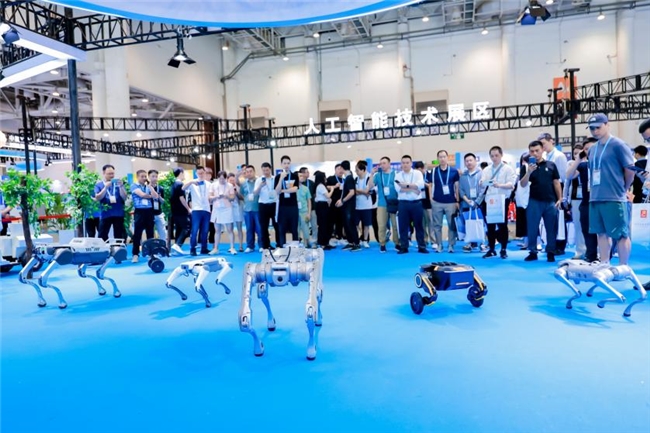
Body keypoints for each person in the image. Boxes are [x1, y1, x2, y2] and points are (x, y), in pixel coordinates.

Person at [586, 113, 636, 265]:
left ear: (608, 125)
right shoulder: (592, 149)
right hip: (595, 197)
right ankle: (604, 264)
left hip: (614, 197)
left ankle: (623, 267)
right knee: (601, 233)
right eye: (592, 128)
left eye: (598, 127)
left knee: (621, 234)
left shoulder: (619, 145)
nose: (595, 131)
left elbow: (630, 170)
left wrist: (624, 188)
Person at [520, 140, 563, 262]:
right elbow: (522, 184)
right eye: (532, 151)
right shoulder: (526, 167)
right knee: (532, 228)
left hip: (550, 201)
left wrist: (560, 198)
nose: (534, 153)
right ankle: (532, 251)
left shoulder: (551, 165)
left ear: (542, 150)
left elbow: (556, 182)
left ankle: (551, 251)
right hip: (533, 201)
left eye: (537, 151)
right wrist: (529, 172)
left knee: (551, 228)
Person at [478, 146, 516, 259]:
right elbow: (483, 182)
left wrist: (499, 185)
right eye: (492, 156)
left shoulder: (508, 169)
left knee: (502, 225)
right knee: (490, 225)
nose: (494, 158)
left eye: (496, 155)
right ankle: (491, 249)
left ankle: (503, 249)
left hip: (502, 199)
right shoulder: (486, 170)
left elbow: (511, 185)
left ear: (501, 155)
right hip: (489, 200)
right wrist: (482, 182)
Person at [566, 138, 599, 262]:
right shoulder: (583, 166)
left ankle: (603, 256)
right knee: (585, 229)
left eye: (592, 148)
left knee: (601, 232)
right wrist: (578, 159)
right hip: (585, 202)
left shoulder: (604, 164)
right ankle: (590, 256)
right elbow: (568, 175)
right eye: (586, 149)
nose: (589, 151)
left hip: (601, 201)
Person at [539, 132, 569, 255]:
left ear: (551, 141)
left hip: (557, 188)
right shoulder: (544, 156)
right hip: (547, 191)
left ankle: (560, 245)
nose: (542, 146)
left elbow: (563, 176)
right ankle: (551, 244)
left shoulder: (559, 156)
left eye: (544, 143)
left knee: (559, 218)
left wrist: (561, 196)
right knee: (550, 220)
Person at [395, 155, 428, 255]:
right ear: (401, 164)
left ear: (411, 163)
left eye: (407, 162)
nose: (405, 165)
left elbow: (420, 186)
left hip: (416, 203)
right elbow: (398, 189)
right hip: (403, 204)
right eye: (403, 163)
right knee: (403, 226)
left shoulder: (417, 173)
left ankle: (421, 246)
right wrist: (413, 188)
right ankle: (404, 246)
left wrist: (406, 185)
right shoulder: (398, 175)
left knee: (419, 225)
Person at [429, 150, 460, 253]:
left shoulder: (454, 171)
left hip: (451, 202)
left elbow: (457, 187)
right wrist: (431, 199)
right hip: (437, 202)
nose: (442, 159)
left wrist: (457, 201)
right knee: (437, 225)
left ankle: (451, 245)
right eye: (440, 157)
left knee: (452, 225)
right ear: (437, 158)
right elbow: (430, 185)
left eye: (444, 157)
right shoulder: (433, 171)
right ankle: (439, 245)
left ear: (447, 158)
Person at [459, 153, 486, 253]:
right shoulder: (463, 176)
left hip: (480, 203)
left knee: (481, 223)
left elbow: (483, 189)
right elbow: (461, 190)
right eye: (467, 161)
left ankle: (482, 243)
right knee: (468, 223)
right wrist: (467, 200)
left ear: (475, 161)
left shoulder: (482, 174)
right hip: (467, 203)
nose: (469, 162)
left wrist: (477, 202)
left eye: (471, 160)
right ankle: (469, 243)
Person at [93, 164, 127, 241]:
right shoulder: (99, 185)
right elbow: (98, 197)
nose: (111, 176)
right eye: (109, 174)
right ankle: (104, 248)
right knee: (102, 236)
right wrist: (105, 187)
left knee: (119, 236)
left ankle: (119, 248)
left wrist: (121, 186)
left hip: (118, 213)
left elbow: (124, 197)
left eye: (112, 173)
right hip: (105, 214)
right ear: (104, 173)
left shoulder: (118, 184)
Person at [183, 166, 211, 256]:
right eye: (199, 173)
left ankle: (204, 248)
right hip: (196, 209)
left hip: (206, 209)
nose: (201, 175)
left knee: (205, 230)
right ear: (196, 173)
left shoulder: (209, 184)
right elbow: (183, 188)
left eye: (202, 173)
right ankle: (192, 249)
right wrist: (191, 182)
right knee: (194, 230)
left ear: (205, 173)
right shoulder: (192, 183)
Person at [373, 157, 400, 253]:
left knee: (395, 225)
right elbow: (370, 186)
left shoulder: (396, 174)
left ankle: (397, 243)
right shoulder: (377, 175)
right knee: (381, 225)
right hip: (382, 203)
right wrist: (372, 174)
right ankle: (382, 244)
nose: (382, 165)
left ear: (389, 164)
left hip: (394, 203)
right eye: (381, 163)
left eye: (384, 163)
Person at [130, 169, 157, 263]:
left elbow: (156, 196)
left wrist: (150, 187)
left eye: (145, 176)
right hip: (139, 211)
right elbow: (142, 195)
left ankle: (150, 253)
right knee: (137, 234)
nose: (144, 178)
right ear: (137, 177)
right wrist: (150, 196)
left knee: (150, 233)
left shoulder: (148, 186)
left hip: (149, 211)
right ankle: (135, 254)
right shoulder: (134, 186)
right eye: (142, 176)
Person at [274, 155, 300, 247]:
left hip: (293, 206)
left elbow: (295, 189)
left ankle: (295, 247)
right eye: (284, 163)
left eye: (288, 163)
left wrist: (283, 191)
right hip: (282, 207)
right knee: (282, 229)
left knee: (294, 228)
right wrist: (281, 178)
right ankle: (282, 247)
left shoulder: (294, 176)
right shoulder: (278, 177)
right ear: (281, 164)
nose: (286, 165)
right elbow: (277, 191)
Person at [209, 171, 236, 255]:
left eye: (223, 179)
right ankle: (215, 248)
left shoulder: (230, 185)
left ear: (226, 178)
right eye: (220, 178)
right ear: (218, 178)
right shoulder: (213, 185)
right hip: (217, 209)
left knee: (230, 229)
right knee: (217, 230)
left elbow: (232, 198)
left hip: (227, 209)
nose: (222, 180)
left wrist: (227, 196)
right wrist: (216, 197)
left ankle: (232, 247)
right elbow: (209, 197)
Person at [337, 160, 361, 252]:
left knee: (350, 224)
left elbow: (351, 192)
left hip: (349, 206)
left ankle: (356, 243)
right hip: (346, 205)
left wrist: (343, 200)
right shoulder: (347, 178)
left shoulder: (349, 178)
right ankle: (351, 242)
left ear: (342, 168)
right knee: (347, 224)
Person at [255, 162, 278, 250]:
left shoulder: (275, 178)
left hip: (274, 204)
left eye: (267, 170)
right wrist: (260, 186)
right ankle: (266, 245)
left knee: (277, 225)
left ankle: (279, 244)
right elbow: (255, 193)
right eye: (263, 170)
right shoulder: (259, 180)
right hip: (263, 205)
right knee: (264, 226)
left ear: (270, 169)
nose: (265, 172)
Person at [240, 165, 262, 253]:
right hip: (247, 210)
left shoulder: (259, 181)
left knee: (259, 229)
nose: (249, 173)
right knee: (249, 229)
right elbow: (242, 194)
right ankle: (250, 246)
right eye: (247, 172)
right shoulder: (243, 184)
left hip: (257, 209)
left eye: (250, 171)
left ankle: (261, 245)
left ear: (254, 172)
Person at [170, 168, 191, 255]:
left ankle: (176, 247)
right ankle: (177, 245)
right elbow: (181, 198)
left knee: (179, 229)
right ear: (181, 173)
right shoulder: (180, 184)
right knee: (187, 228)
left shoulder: (173, 184)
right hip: (181, 210)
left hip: (174, 210)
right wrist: (188, 208)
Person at [354, 160, 374, 249]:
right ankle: (358, 238)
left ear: (362, 170)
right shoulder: (356, 179)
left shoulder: (369, 178)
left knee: (366, 224)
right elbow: (354, 191)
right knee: (356, 224)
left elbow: (368, 191)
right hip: (357, 206)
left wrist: (359, 191)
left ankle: (365, 240)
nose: (356, 172)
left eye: (357, 170)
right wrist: (363, 192)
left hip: (367, 206)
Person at [313, 171, 334, 250]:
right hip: (322, 206)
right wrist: (332, 190)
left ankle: (325, 242)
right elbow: (328, 196)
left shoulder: (319, 186)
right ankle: (323, 243)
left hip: (322, 206)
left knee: (325, 224)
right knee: (323, 224)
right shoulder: (321, 186)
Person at [414, 161, 433, 248]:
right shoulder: (415, 177)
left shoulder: (429, 175)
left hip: (429, 202)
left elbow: (431, 185)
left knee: (431, 222)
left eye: (420, 170)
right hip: (419, 202)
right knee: (422, 223)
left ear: (422, 169)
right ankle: (424, 240)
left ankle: (433, 240)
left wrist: (424, 183)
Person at [326, 164, 346, 245]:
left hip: (342, 203)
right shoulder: (330, 178)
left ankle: (340, 237)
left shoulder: (344, 180)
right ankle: (329, 238)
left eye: (342, 169)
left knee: (340, 221)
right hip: (332, 204)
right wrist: (334, 186)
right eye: (338, 169)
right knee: (331, 221)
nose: (340, 170)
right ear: (335, 170)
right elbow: (325, 187)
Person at [300, 167, 318, 245]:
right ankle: (305, 241)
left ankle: (314, 241)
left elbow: (314, 194)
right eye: (307, 172)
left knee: (314, 225)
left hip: (312, 207)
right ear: (302, 173)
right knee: (304, 226)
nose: (308, 173)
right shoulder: (299, 184)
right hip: (303, 208)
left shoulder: (311, 183)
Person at [148, 170, 166, 242]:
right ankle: (151, 246)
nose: (155, 178)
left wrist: (159, 197)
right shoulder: (146, 188)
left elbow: (163, 201)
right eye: (153, 176)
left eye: (156, 176)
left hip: (159, 213)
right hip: (149, 213)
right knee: (150, 232)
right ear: (149, 177)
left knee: (162, 232)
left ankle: (163, 246)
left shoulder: (160, 188)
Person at [296, 169, 313, 248]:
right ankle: (297, 243)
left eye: (302, 176)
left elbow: (309, 201)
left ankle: (307, 243)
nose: (302, 177)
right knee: (296, 229)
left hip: (304, 212)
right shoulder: (292, 189)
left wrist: (309, 213)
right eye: (300, 176)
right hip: (295, 212)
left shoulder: (306, 188)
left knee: (306, 228)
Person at [229, 173, 245, 252]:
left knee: (239, 228)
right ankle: (232, 246)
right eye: (230, 180)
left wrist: (236, 192)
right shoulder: (226, 187)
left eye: (233, 180)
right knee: (230, 229)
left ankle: (241, 245)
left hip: (238, 209)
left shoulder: (238, 187)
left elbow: (242, 198)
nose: (232, 182)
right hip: (229, 209)